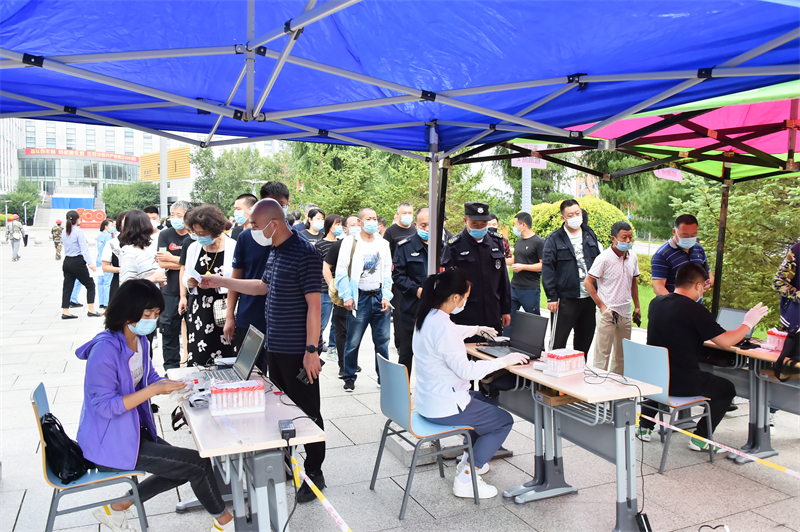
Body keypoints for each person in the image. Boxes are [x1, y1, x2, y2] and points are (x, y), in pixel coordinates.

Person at [75, 279, 235, 532]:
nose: (152, 320)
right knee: (196, 464)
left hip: (131, 433)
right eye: (147, 314)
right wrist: (153, 390)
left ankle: (117, 507)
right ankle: (225, 522)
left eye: (156, 314)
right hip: (108, 442)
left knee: (184, 468)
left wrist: (177, 384)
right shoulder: (104, 351)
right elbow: (105, 407)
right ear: (126, 312)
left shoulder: (140, 341)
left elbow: (148, 376)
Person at [200, 198, 326, 503]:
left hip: (298, 349)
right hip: (275, 344)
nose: (252, 230)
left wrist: (311, 350)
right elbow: (262, 287)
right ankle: (286, 462)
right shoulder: (276, 250)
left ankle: (314, 472)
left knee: (308, 412)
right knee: (282, 408)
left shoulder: (306, 254)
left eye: (255, 225)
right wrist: (219, 281)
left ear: (274, 223)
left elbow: (314, 306)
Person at [413, 268, 529, 499]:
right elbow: (467, 370)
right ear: (455, 297)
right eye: (465, 297)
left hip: (428, 400)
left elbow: (451, 332)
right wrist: (504, 361)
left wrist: (477, 329)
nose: (465, 301)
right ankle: (467, 477)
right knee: (502, 421)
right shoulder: (443, 327)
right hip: (444, 406)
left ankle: (472, 458)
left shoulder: (427, 317)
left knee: (483, 400)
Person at [638, 263, 769, 450]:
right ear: (699, 286)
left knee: (666, 373)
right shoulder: (694, 310)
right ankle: (701, 438)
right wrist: (748, 323)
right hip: (681, 383)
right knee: (726, 389)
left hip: (655, 380)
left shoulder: (656, 303)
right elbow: (725, 342)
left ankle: (644, 426)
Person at [224, 182, 292, 373]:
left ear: (287, 205)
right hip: (250, 317)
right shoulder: (246, 237)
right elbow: (236, 279)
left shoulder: (296, 241)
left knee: (281, 379)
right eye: (270, 203)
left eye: (280, 204)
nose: (275, 210)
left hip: (284, 322)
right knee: (250, 375)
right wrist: (230, 316)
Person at [336, 207, 393, 392]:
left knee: (382, 341)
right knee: (353, 341)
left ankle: (383, 377)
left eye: (374, 219)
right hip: (359, 298)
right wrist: (347, 296)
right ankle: (349, 376)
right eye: (368, 219)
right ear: (360, 222)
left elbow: (387, 272)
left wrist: (386, 296)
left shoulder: (383, 243)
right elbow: (341, 271)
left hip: (379, 296)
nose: (372, 222)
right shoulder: (350, 242)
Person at [441, 202, 511, 342]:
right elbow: (447, 284)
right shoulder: (454, 246)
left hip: (493, 312)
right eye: (475, 224)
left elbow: (503, 279)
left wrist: (506, 310)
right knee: (467, 352)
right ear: (465, 220)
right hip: (466, 314)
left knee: (493, 351)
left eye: (483, 224)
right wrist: (449, 315)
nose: (479, 227)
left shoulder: (496, 242)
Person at [541, 199, 602, 356]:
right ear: (563, 218)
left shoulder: (589, 234)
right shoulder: (554, 239)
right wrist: (551, 297)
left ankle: (580, 367)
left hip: (588, 297)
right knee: (558, 341)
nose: (575, 217)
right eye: (570, 215)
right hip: (566, 299)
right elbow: (548, 269)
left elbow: (598, 263)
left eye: (577, 213)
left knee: (585, 339)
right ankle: (554, 367)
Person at [181, 205, 236, 367]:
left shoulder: (233, 246)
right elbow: (186, 273)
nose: (199, 237)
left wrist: (218, 283)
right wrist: (189, 283)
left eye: (202, 233)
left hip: (224, 307)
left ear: (215, 230)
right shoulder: (194, 247)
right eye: (196, 233)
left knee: (226, 352)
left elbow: (238, 279)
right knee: (199, 355)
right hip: (200, 310)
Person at [584, 221, 640, 376]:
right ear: (613, 239)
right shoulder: (604, 258)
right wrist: (602, 307)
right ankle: (598, 384)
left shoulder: (632, 257)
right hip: (608, 312)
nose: (628, 241)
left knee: (621, 355)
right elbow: (588, 282)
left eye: (630, 237)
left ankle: (616, 385)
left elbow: (633, 281)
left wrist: (637, 306)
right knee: (602, 354)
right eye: (624, 237)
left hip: (625, 312)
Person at [392, 207, 430, 376]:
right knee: (406, 353)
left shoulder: (443, 246)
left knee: (432, 355)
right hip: (412, 308)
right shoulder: (405, 246)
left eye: (430, 225)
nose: (427, 229)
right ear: (416, 224)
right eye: (423, 225)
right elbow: (398, 276)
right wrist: (417, 290)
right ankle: (402, 387)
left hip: (436, 310)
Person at [155, 201, 192, 371]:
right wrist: (183, 262)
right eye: (172, 214)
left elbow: (195, 264)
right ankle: (171, 369)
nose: (175, 218)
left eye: (179, 215)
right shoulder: (165, 234)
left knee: (193, 329)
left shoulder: (194, 235)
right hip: (169, 290)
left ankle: (193, 365)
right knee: (168, 330)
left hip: (191, 291)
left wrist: (173, 258)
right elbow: (162, 262)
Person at [324, 216, 359, 377]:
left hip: (361, 295)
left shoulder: (366, 245)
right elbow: (326, 267)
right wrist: (333, 286)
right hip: (343, 296)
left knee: (355, 331)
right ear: (345, 228)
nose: (357, 227)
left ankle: (352, 362)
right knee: (342, 331)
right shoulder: (339, 245)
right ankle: (343, 365)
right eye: (353, 225)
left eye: (359, 224)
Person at [771, 239, 799, 433]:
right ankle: (769, 412)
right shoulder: (797, 251)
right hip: (797, 325)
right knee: (788, 370)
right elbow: (778, 283)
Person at [383, 203, 417, 356]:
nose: (407, 215)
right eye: (404, 212)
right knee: (399, 313)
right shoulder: (391, 232)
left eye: (410, 212)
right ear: (397, 214)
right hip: (398, 278)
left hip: (415, 278)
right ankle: (400, 344)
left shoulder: (416, 230)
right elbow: (386, 256)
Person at [652, 214, 713, 296]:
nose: (689, 238)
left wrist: (708, 284)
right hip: (674, 303)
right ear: (674, 232)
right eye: (685, 235)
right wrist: (675, 301)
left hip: (697, 302)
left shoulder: (699, 249)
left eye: (693, 235)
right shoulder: (662, 255)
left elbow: (709, 274)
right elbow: (658, 287)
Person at [505, 212, 545, 338]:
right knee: (508, 319)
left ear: (523, 225)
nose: (514, 227)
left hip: (530, 289)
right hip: (514, 287)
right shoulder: (519, 241)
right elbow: (516, 259)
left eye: (515, 224)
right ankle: (506, 342)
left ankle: (537, 346)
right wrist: (500, 260)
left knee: (533, 321)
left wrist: (523, 267)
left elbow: (543, 265)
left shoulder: (538, 242)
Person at [60, 210, 100, 319]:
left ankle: (65, 311)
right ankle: (91, 310)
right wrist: (90, 263)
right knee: (90, 285)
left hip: (67, 261)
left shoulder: (64, 231)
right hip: (77, 262)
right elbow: (84, 249)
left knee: (67, 287)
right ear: (78, 219)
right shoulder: (78, 232)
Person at [316, 213, 343, 355]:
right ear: (329, 226)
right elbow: (317, 267)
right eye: (336, 224)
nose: (339, 227)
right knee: (322, 321)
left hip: (341, 288)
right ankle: (315, 346)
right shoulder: (320, 244)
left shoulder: (342, 243)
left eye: (341, 224)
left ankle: (333, 348)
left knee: (337, 321)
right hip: (324, 288)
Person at [118, 210, 167, 286]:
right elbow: (127, 286)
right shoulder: (129, 254)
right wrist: (153, 278)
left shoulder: (145, 250)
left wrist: (158, 281)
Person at [102, 211, 128, 304]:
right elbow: (105, 267)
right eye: (125, 221)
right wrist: (122, 270)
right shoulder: (112, 243)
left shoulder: (143, 243)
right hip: (118, 283)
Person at [96, 218, 115, 308]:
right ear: (106, 227)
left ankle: (101, 302)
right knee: (107, 282)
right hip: (106, 261)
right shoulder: (108, 237)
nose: (113, 227)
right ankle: (107, 302)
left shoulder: (100, 236)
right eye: (111, 225)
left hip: (99, 260)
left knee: (100, 282)